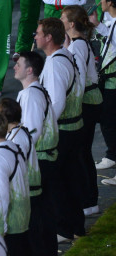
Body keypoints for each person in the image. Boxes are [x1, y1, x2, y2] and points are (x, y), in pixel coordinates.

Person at [34, 17, 86, 242]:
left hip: (62, 131)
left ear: (48, 38)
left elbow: (56, 103)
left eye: (38, 33)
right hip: (72, 127)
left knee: (57, 182)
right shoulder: (64, 56)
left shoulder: (55, 63)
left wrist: (45, 131)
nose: (34, 37)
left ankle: (63, 228)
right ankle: (76, 226)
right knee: (70, 178)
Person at [61, 5, 103, 216]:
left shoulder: (78, 46)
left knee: (81, 153)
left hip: (86, 101)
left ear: (70, 24)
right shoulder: (78, 44)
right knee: (83, 153)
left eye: (62, 19)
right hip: (90, 99)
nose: (60, 22)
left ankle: (88, 200)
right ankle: (88, 199)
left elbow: (75, 76)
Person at [13, 51, 57, 254]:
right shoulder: (34, 92)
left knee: (37, 213)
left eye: (19, 64)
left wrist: (14, 157)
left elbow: (31, 131)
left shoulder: (31, 95)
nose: (15, 67)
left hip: (38, 161)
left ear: (29, 70)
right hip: (41, 159)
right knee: (43, 210)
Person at [0, 110, 31, 252]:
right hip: (20, 216)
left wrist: (2, 224)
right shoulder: (11, 146)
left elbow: (2, 192)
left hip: (10, 223)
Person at [95, 0, 116, 185]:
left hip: (114, 82)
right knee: (108, 121)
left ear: (110, 2)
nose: (100, 2)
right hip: (110, 82)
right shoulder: (112, 19)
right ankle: (112, 156)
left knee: (112, 122)